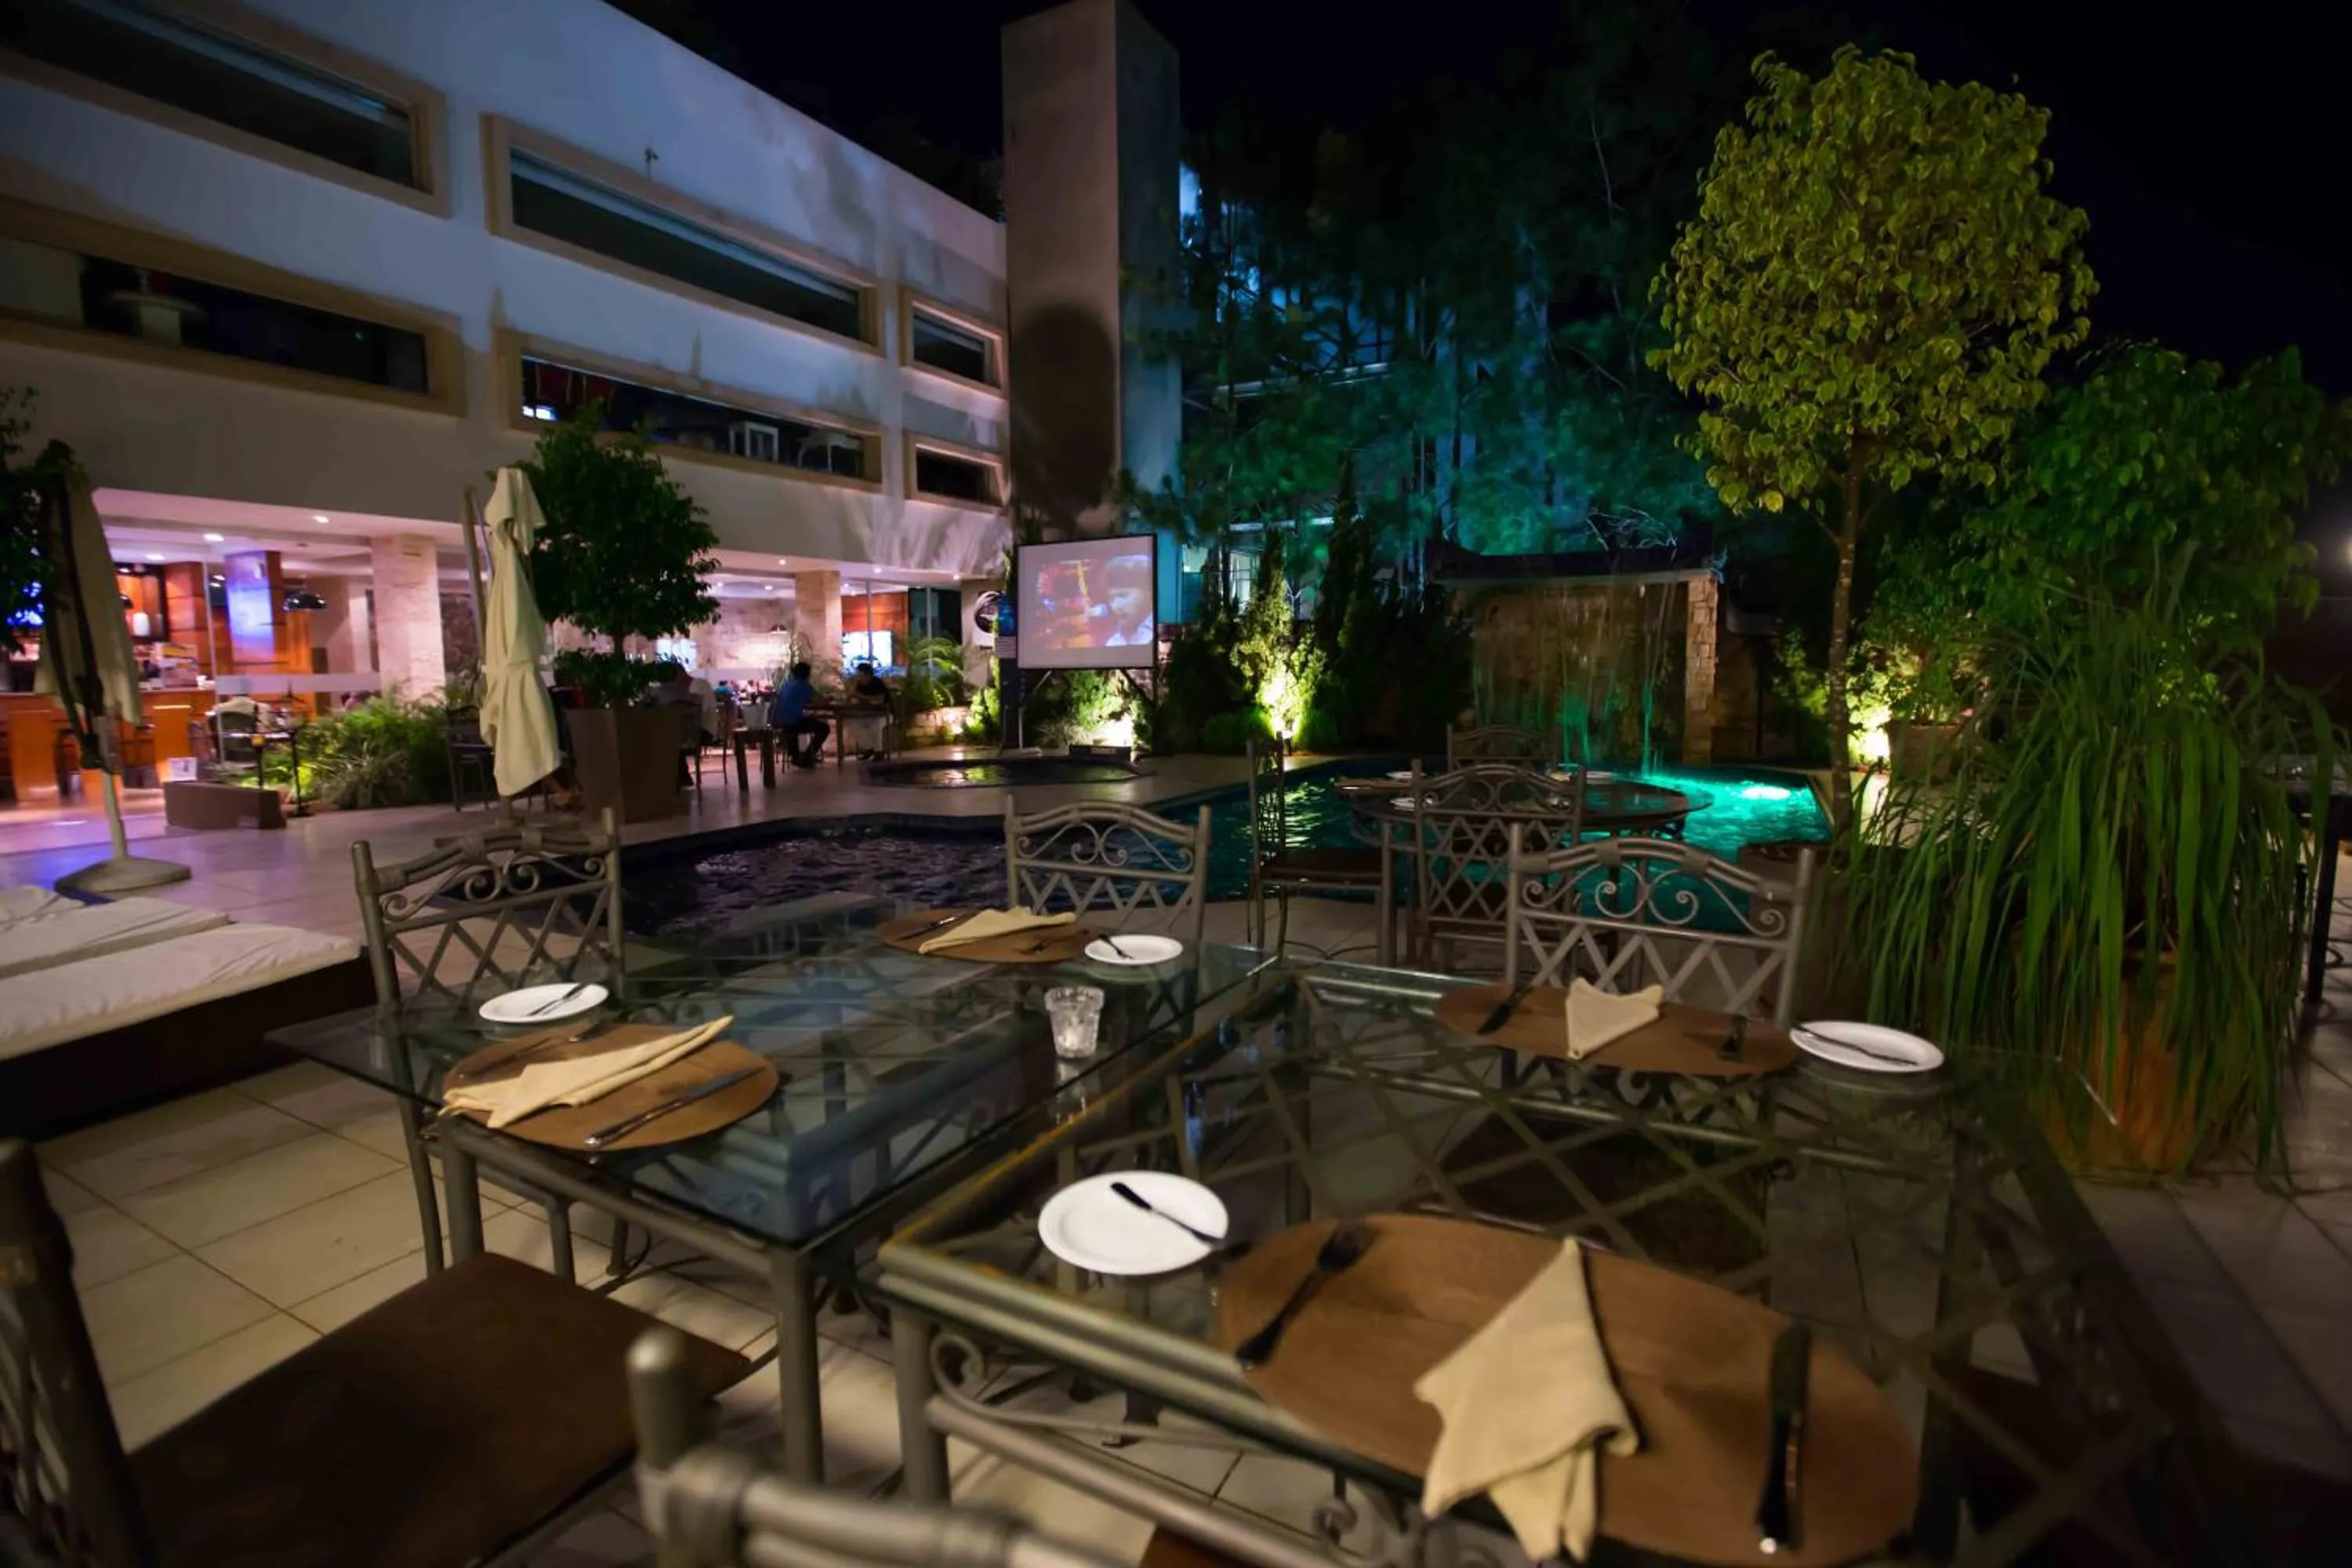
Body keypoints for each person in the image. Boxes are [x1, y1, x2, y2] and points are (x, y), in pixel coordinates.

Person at [766, 661, 828, 768]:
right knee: (824, 728)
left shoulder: (787, 683)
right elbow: (820, 701)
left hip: (777, 722)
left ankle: (796, 756)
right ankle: (806, 757)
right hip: (792, 723)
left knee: (796, 723)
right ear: (807, 674)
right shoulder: (803, 685)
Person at [845, 660, 891, 760]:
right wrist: (851, 690)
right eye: (858, 675)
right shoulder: (858, 684)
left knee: (876, 725)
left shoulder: (877, 683)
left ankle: (879, 752)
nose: (859, 678)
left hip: (884, 714)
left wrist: (860, 696)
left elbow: (880, 699)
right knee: (851, 723)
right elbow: (848, 699)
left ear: (868, 675)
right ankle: (869, 748)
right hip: (867, 714)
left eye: (861, 675)